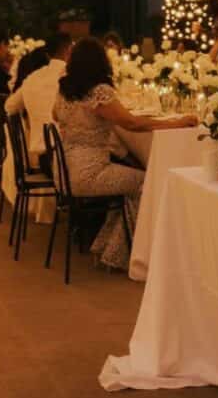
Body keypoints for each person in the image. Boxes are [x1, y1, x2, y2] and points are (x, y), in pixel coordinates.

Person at [53, 37, 197, 271]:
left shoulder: (64, 89)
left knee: (133, 175)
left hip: (63, 171)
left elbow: (55, 116)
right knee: (146, 183)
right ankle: (119, 252)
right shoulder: (99, 91)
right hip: (89, 174)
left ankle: (106, 245)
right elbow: (132, 124)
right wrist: (177, 123)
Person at [6, 34, 71, 161]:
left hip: (44, 159)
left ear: (47, 55)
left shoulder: (33, 77)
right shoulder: (73, 77)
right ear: (69, 51)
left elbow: (9, 106)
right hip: (67, 158)